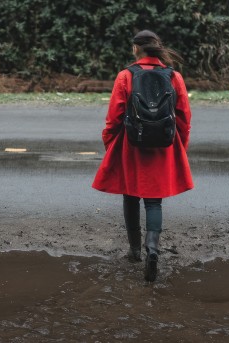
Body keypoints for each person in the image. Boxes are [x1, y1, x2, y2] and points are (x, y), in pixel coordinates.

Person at [92, 30, 194, 282]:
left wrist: (111, 144)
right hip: (164, 145)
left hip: (131, 144)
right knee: (153, 201)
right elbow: (184, 117)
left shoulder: (125, 75)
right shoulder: (174, 76)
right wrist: (180, 144)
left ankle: (134, 251)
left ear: (137, 48)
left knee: (130, 196)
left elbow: (113, 118)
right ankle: (152, 249)